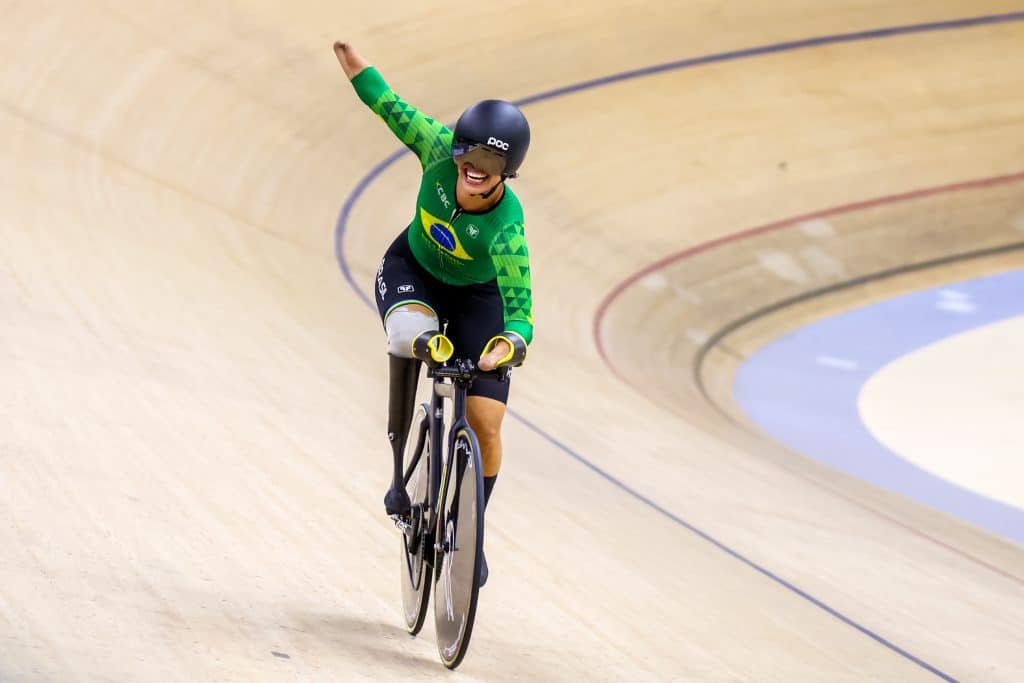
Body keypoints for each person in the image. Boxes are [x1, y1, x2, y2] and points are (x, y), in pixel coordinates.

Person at [333, 42, 534, 585]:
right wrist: (354, 64)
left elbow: (521, 313)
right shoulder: (437, 148)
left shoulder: (507, 231)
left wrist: (507, 345)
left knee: (486, 423)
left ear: (506, 174)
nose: (473, 168)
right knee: (408, 335)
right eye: (467, 155)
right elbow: (389, 105)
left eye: (488, 164)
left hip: (476, 299)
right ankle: (399, 473)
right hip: (414, 270)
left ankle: (472, 528)